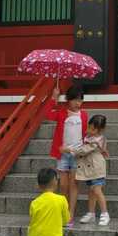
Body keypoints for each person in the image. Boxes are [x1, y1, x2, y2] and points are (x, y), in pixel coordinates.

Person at [45, 84, 87, 226]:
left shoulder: (84, 115)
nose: (78, 103)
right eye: (75, 100)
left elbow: (86, 135)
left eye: (80, 100)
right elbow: (47, 114)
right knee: (63, 185)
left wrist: (83, 150)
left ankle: (70, 214)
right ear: (68, 100)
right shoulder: (62, 113)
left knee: (73, 184)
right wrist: (54, 98)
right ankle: (63, 211)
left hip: (77, 154)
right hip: (63, 154)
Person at [63, 114, 110, 226]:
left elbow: (84, 150)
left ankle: (105, 213)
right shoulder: (90, 137)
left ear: (100, 130)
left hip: (96, 169)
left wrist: (70, 150)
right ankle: (91, 213)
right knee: (91, 192)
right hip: (90, 169)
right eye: (89, 127)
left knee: (97, 190)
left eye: (93, 129)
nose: (89, 130)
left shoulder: (97, 140)